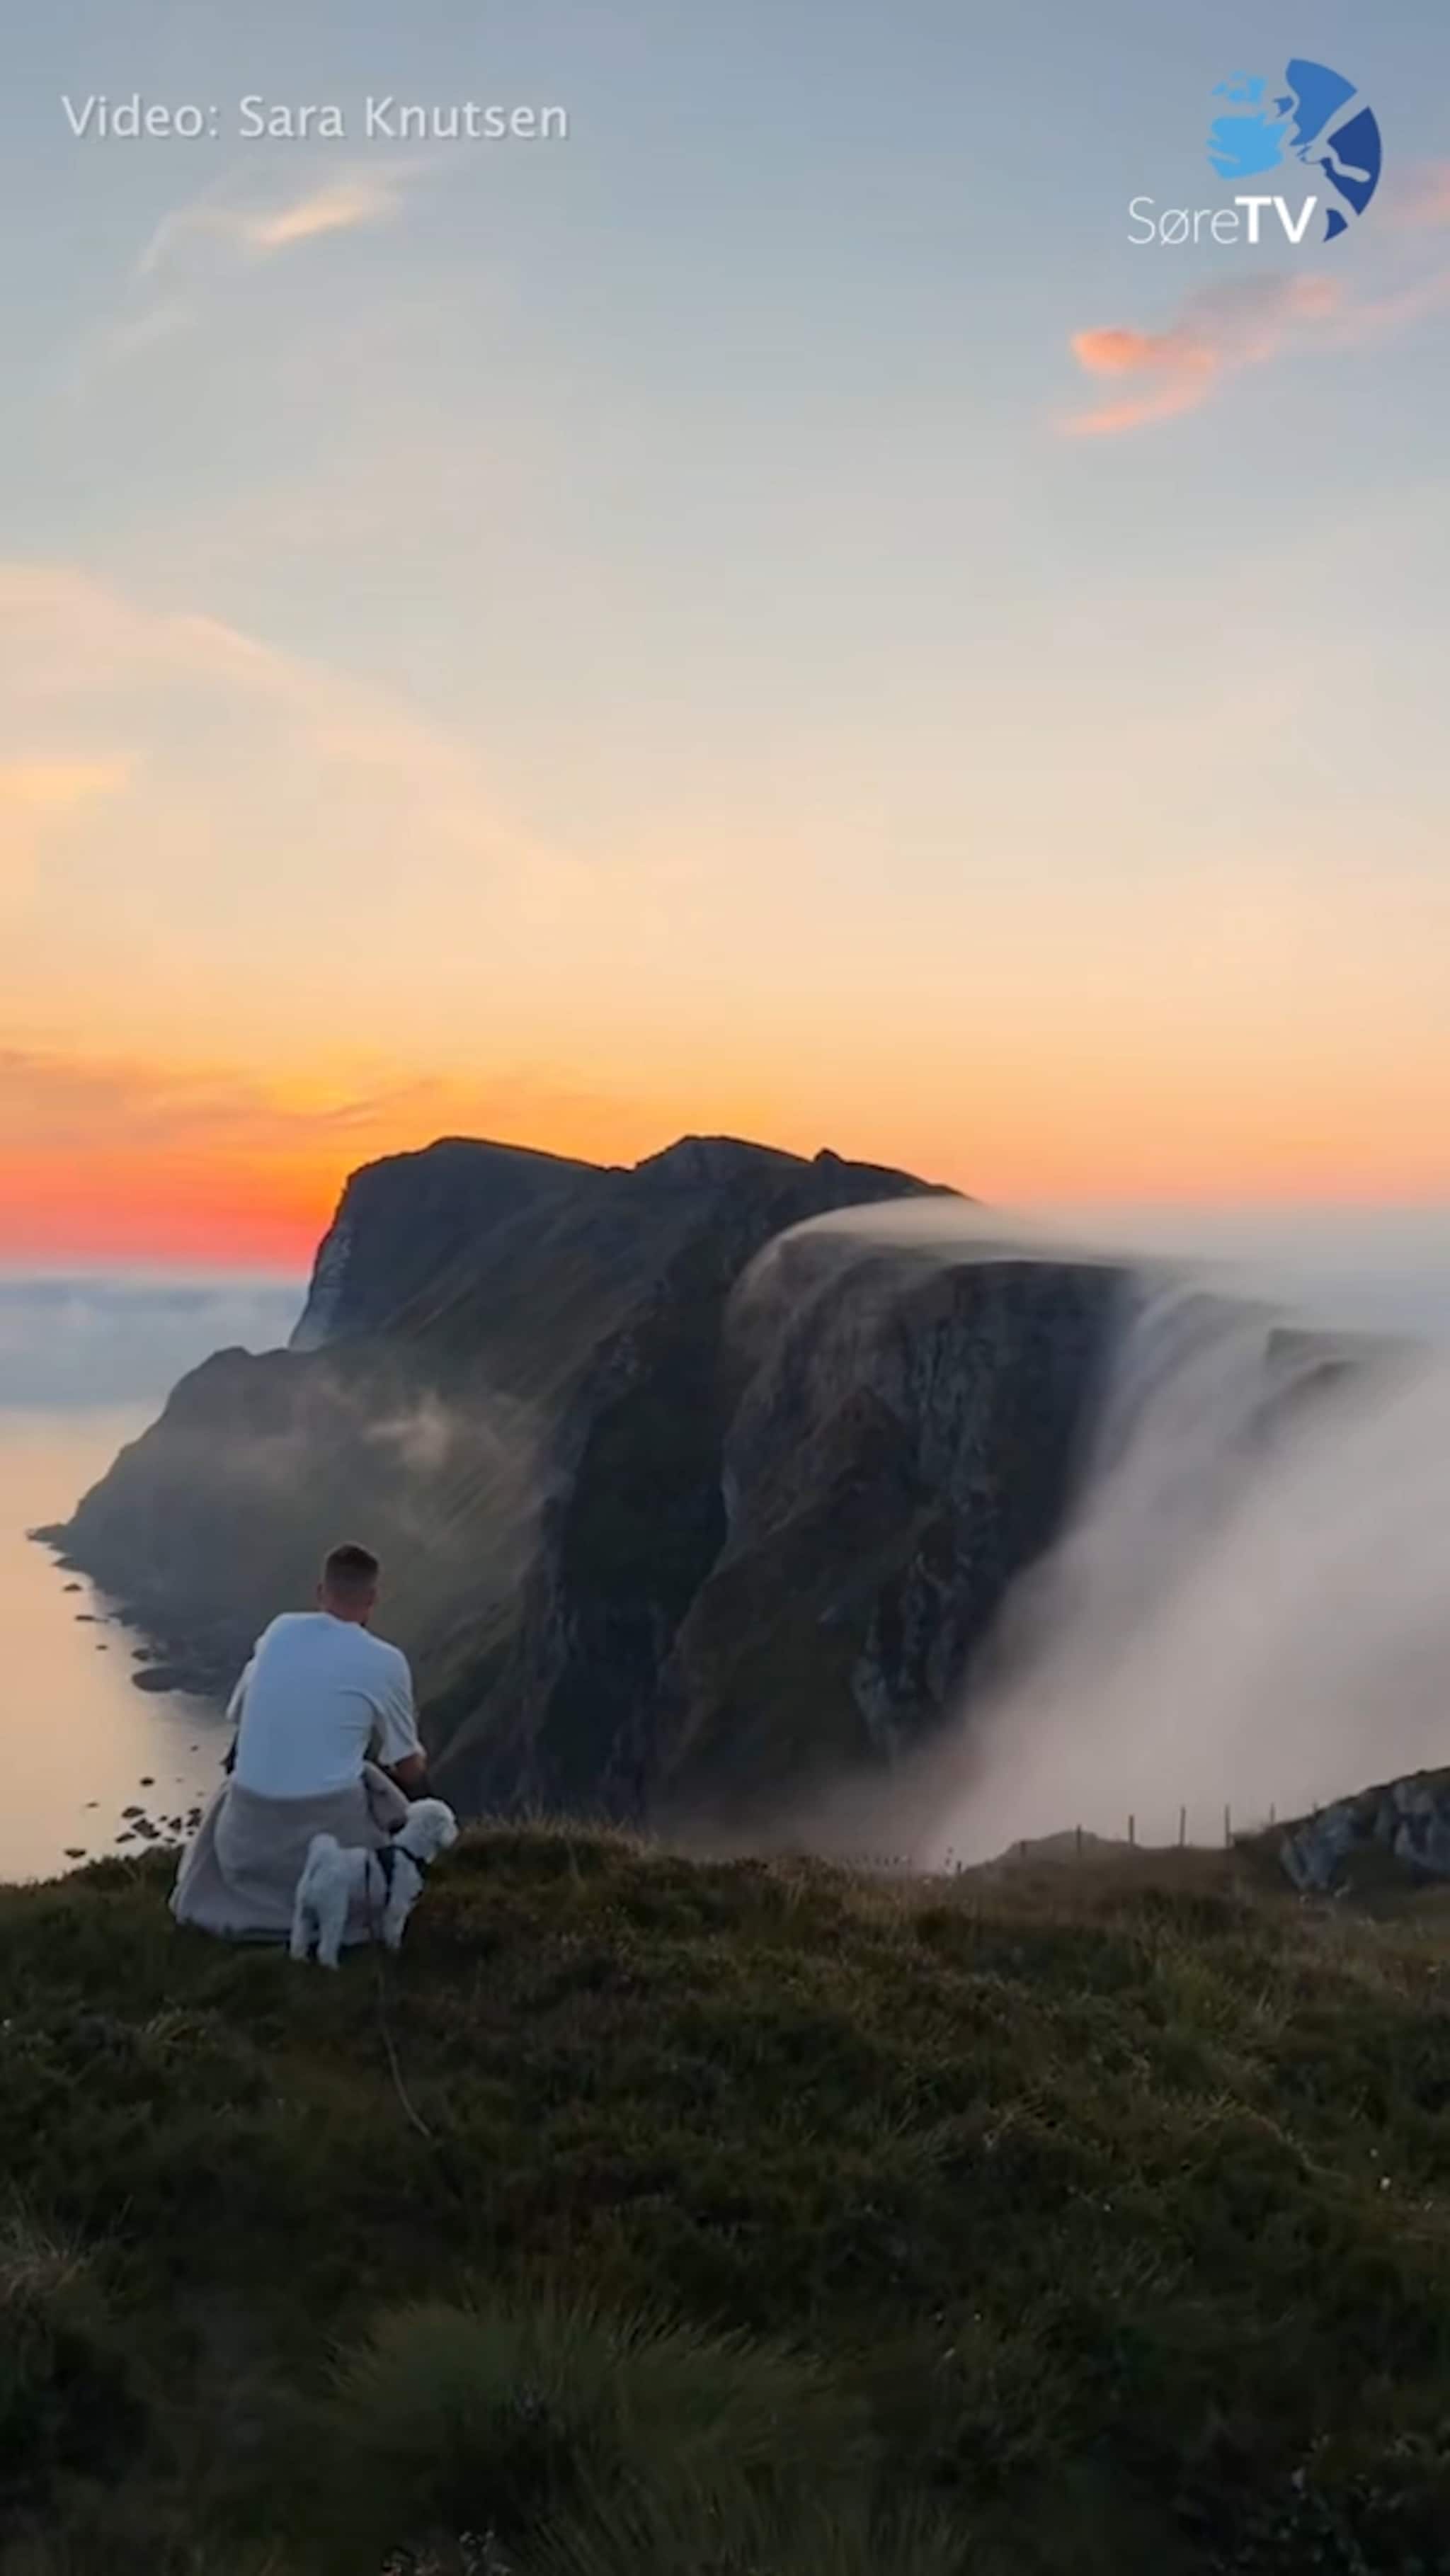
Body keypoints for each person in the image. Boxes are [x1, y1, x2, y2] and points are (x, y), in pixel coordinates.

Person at [171, 1542, 428, 1942]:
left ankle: (239, 1903)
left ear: (320, 1592)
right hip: (327, 1852)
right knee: (375, 1779)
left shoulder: (279, 1631)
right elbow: (408, 1766)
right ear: (373, 1598)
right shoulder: (386, 1661)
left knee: (235, 1779)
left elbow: (238, 1715)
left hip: (244, 1851)